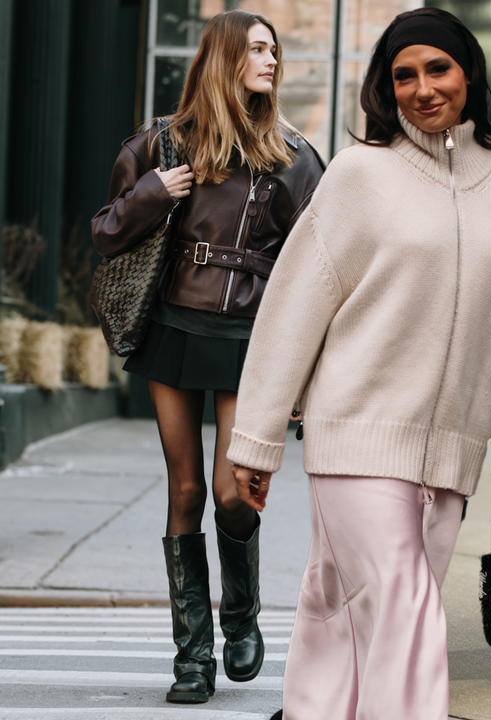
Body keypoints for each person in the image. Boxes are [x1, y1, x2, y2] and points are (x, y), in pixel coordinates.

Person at [225, 8, 491, 719]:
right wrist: (255, 439)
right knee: (403, 607)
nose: (423, 88)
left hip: (452, 451)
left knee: (342, 605)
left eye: (438, 69)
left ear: (470, 72)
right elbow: (293, 306)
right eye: (404, 75)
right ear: (385, 88)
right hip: (356, 433)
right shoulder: (358, 175)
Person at [90, 9, 324, 705]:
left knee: (232, 492)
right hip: (171, 329)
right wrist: (151, 192)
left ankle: (242, 617)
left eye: (274, 50)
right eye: (257, 49)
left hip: (249, 340)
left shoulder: (294, 155)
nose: (271, 61)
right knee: (185, 491)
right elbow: (105, 233)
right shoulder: (160, 144)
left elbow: (319, 260)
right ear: (223, 57)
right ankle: (192, 657)